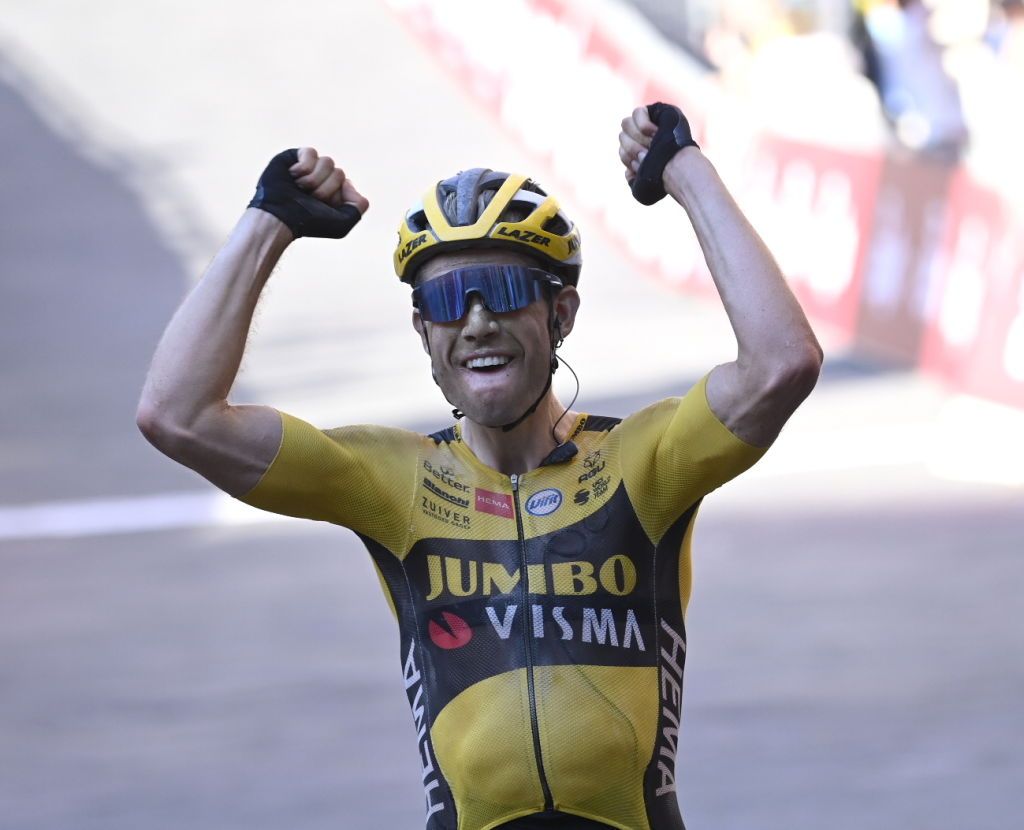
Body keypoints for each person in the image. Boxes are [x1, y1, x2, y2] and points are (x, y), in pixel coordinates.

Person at [137, 103, 822, 830]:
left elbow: (783, 362)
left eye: (499, 291)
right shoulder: (388, 480)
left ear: (561, 314)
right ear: (421, 331)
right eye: (442, 301)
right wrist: (270, 220)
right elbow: (175, 415)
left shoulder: (643, 461)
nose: (475, 323)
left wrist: (684, 170)